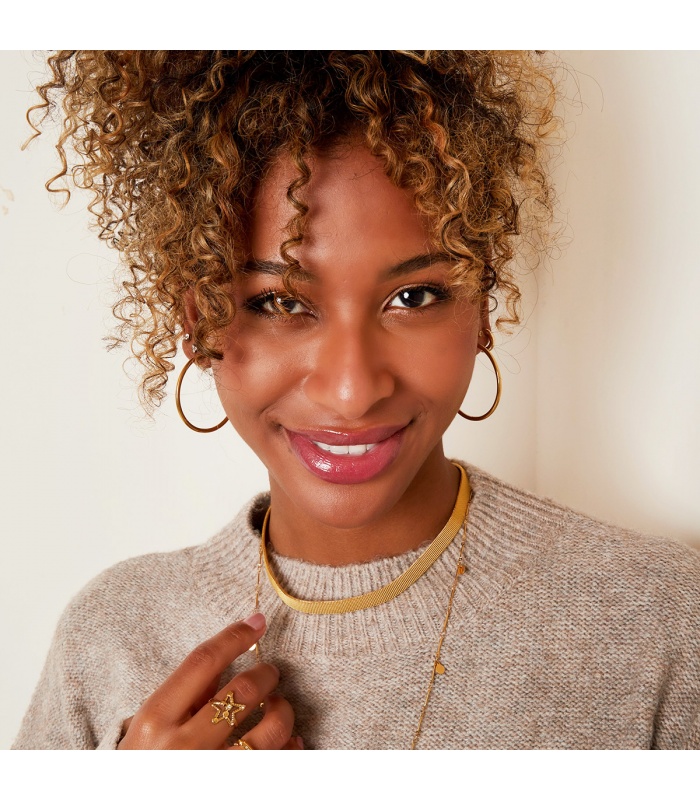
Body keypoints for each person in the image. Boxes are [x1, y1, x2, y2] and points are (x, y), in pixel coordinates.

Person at [12, 50, 700, 750]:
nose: (351, 391)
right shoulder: (112, 640)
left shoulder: (658, 622)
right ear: (199, 322)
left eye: (415, 297)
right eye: (280, 302)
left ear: (482, 306)